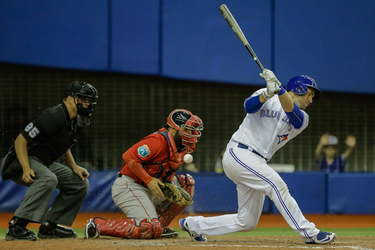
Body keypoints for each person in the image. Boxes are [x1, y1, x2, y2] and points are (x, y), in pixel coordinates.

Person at [179, 69, 337, 245]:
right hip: (239, 153)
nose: (311, 100)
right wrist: (267, 93)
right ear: (298, 88)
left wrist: (280, 91)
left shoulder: (303, 118)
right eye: (309, 94)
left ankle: (194, 225)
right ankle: (309, 233)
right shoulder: (266, 94)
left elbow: (291, 112)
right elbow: (248, 106)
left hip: (256, 161)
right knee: (278, 186)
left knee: (247, 221)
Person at [0, 81, 98, 241]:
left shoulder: (76, 121)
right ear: (69, 99)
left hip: (42, 161)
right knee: (48, 179)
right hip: (18, 161)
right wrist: (25, 168)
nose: (87, 103)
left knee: (79, 183)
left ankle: (50, 228)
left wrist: (74, 166)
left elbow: (62, 144)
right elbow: (20, 141)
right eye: (83, 99)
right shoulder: (51, 117)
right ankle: (16, 226)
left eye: (89, 100)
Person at [84, 109, 203, 239]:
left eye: (192, 130)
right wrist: (148, 180)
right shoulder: (157, 141)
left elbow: (168, 169)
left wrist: (168, 183)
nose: (192, 134)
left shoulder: (182, 146)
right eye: (187, 130)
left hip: (151, 186)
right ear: (173, 129)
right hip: (130, 186)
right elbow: (128, 157)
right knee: (149, 228)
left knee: (187, 182)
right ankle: (98, 225)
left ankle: (160, 226)